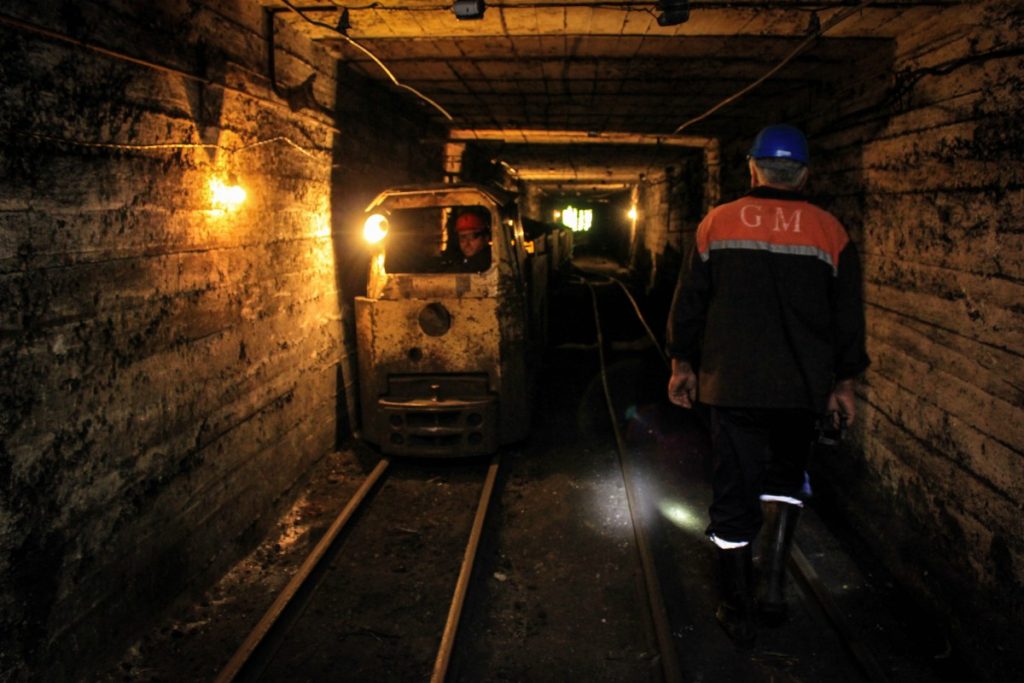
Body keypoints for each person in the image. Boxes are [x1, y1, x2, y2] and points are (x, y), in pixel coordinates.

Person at [665, 124, 869, 647]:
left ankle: (735, 605)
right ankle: (774, 589)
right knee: (786, 479)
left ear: (751, 168)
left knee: (735, 492)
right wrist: (842, 384)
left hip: (731, 388)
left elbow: (691, 303)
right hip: (800, 390)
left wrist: (682, 364)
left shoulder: (717, 223)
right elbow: (847, 319)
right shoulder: (831, 232)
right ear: (804, 173)